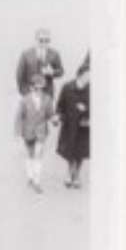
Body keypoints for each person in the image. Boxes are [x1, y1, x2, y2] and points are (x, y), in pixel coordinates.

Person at [55, 58, 89, 188]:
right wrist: (58, 116)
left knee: (80, 152)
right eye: (87, 76)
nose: (89, 79)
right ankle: (70, 174)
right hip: (69, 126)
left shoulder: (92, 89)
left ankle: (77, 175)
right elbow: (60, 105)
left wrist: (86, 108)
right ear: (80, 75)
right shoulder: (67, 87)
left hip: (84, 126)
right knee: (70, 151)